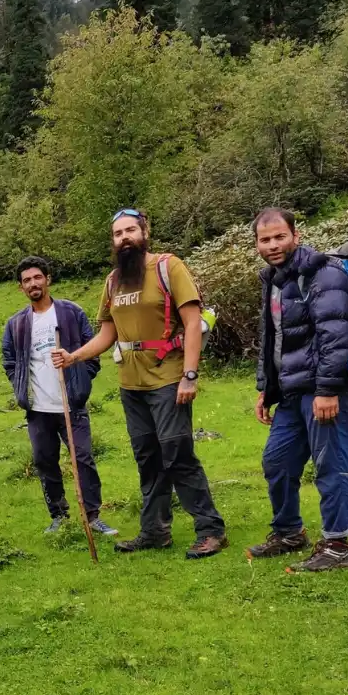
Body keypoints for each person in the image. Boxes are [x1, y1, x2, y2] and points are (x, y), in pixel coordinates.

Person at [52, 209, 228, 559]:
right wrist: (74, 356)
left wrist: (190, 375)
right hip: (131, 384)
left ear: (145, 231)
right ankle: (155, 531)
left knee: (177, 454)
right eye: (118, 234)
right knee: (147, 457)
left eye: (130, 230)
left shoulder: (168, 267)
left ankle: (210, 530)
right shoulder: (113, 281)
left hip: (169, 377)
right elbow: (108, 332)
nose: (124, 238)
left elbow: (192, 323)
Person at [249, 208, 348, 570]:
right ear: (257, 245)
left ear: (296, 235)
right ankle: (289, 532)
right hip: (292, 392)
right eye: (265, 239)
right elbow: (275, 340)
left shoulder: (322, 274)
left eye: (280, 236)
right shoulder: (274, 279)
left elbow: (337, 335)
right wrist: (268, 388)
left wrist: (328, 389)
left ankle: (338, 545)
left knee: (331, 464)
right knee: (276, 461)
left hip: (325, 389)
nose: (273, 244)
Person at [1, 256, 118, 537]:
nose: (33, 284)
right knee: (45, 461)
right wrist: (21, 389)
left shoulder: (70, 313)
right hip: (38, 409)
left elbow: (92, 349)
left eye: (37, 277)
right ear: (21, 288)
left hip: (71, 403)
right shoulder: (16, 324)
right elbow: (9, 361)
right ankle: (59, 515)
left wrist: (81, 379)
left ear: (48, 279)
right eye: (27, 280)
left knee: (83, 458)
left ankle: (93, 516)